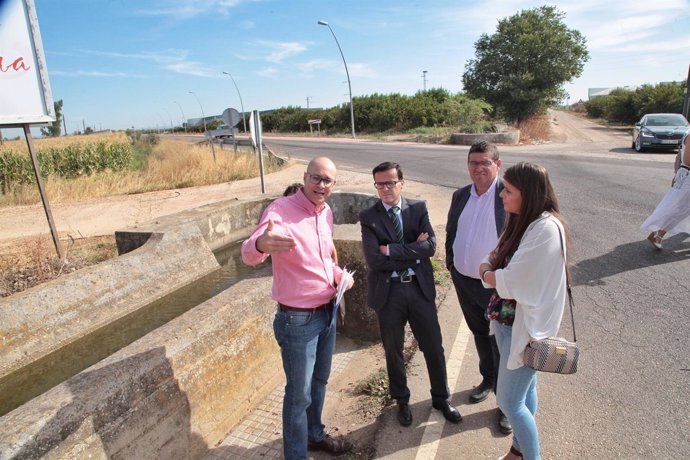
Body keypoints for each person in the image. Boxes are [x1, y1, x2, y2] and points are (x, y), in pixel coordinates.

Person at [241, 157, 354, 460]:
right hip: (297, 319)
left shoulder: (326, 212)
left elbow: (325, 259)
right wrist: (261, 245)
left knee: (319, 381)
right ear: (305, 178)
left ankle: (315, 435)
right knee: (298, 395)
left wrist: (339, 276)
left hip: (327, 312)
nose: (321, 185)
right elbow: (249, 253)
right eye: (315, 178)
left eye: (327, 180)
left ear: (333, 184)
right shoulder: (279, 211)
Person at [359, 161, 462, 427]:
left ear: (401, 183)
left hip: (418, 290)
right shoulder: (369, 217)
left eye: (390, 183)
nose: (385, 188)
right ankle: (402, 400)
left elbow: (429, 248)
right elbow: (374, 260)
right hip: (388, 293)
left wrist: (390, 250)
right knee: (393, 351)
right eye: (379, 184)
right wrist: (411, 251)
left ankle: (441, 398)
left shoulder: (418, 208)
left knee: (433, 347)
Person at [478, 162, 569, 460]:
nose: (502, 194)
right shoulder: (526, 221)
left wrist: (487, 273)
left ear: (528, 193)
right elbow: (497, 255)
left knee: (509, 401)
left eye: (509, 190)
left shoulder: (545, 228)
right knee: (525, 392)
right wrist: (491, 268)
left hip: (527, 329)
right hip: (508, 323)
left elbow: (510, 279)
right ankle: (518, 450)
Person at [445, 141, 511, 434]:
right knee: (480, 334)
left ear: (498, 165)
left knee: (503, 343)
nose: (479, 168)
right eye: (474, 162)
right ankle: (487, 379)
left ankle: (507, 405)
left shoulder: (508, 196)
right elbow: (451, 231)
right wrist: (451, 263)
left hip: (495, 286)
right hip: (463, 280)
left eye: (485, 162)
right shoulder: (460, 195)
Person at [641, 132, 690, 249]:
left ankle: (658, 233)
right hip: (688, 177)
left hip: (685, 176)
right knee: (679, 209)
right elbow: (687, 160)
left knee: (682, 210)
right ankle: (657, 232)